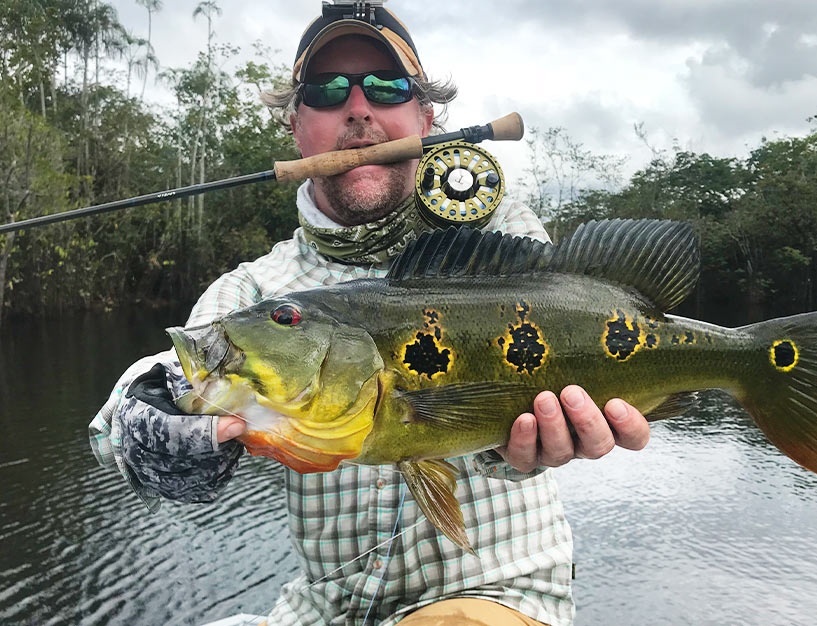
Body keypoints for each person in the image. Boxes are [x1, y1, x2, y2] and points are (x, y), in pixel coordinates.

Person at [88, 4, 650, 625]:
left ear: (426, 118)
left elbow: (524, 405)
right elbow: (138, 410)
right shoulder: (256, 293)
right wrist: (156, 420)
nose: (358, 109)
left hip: (496, 595)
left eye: (386, 86)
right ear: (297, 128)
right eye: (328, 92)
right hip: (322, 608)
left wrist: (518, 445)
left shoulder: (497, 239)